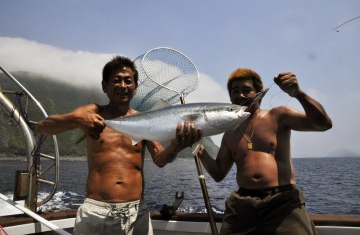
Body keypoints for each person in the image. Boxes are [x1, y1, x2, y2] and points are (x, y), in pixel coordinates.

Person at [36, 55, 202, 235]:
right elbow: (43, 127)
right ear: (104, 86)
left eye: (128, 81)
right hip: (97, 211)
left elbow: (160, 159)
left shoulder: (145, 120)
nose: (123, 86)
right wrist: (77, 120)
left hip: (136, 212)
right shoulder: (93, 112)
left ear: (135, 88)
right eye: (117, 80)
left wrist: (176, 146)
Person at [198, 68, 332, 235]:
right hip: (243, 203)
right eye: (235, 91)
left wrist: (298, 94)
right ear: (230, 97)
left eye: (246, 90)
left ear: (259, 93)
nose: (240, 95)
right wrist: (198, 146)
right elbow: (218, 173)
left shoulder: (278, 115)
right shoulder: (229, 133)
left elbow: (323, 124)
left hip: (282, 202)